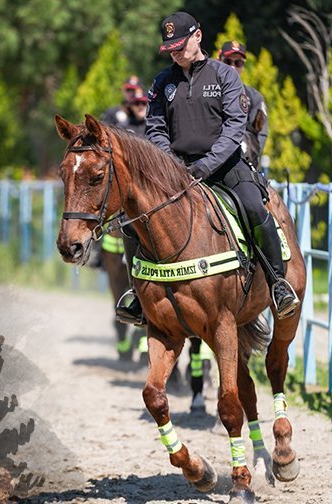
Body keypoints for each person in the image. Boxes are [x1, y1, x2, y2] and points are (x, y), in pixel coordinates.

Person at [114, 11, 299, 327]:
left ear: (197, 36)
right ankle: (138, 295)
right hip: (175, 169)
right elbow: (155, 126)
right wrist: (170, 164)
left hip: (224, 166)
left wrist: (205, 165)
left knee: (255, 206)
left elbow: (234, 128)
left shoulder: (225, 76)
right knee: (133, 219)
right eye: (170, 47)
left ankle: (277, 283)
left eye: (180, 45)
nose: (175, 52)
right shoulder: (162, 82)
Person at [218, 40, 268, 169]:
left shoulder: (254, 97)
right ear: (219, 61)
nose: (233, 67)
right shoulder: (206, 91)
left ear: (243, 66)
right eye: (228, 61)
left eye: (238, 62)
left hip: (243, 161)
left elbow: (260, 134)